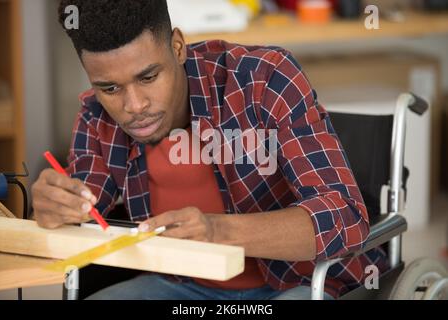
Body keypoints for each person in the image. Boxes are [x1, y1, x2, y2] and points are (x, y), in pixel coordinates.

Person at [31, 0, 387, 300]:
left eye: (148, 77)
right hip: (182, 287)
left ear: (177, 46)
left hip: (294, 283)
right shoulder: (96, 115)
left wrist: (218, 232)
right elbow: (81, 204)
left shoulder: (265, 79)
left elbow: (344, 216)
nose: (134, 105)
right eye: (110, 88)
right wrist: (56, 207)